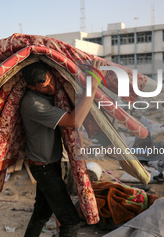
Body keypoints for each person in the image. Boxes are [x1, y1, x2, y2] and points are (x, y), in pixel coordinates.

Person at [21, 60, 103, 237]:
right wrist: (92, 85)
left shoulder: (52, 95)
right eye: (45, 86)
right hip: (43, 168)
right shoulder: (33, 103)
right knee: (70, 221)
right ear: (32, 87)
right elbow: (74, 121)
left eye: (51, 80)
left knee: (41, 214)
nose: (51, 86)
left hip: (51, 164)